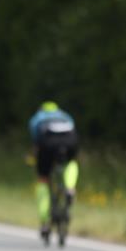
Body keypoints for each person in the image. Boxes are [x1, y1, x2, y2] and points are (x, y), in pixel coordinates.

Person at [29, 101, 79, 241]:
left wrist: (34, 157)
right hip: (69, 141)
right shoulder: (65, 115)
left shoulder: (38, 117)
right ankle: (70, 188)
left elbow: (36, 142)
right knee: (71, 162)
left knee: (43, 180)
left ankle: (44, 221)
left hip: (47, 143)